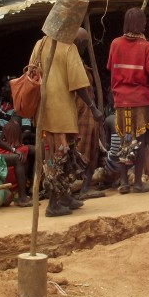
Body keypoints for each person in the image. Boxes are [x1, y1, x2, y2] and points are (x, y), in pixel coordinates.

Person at [30, 30, 103, 217]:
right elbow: (79, 83)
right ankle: (53, 204)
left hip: (44, 110)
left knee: (64, 154)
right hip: (60, 111)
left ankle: (65, 196)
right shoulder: (69, 48)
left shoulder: (40, 44)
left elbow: (32, 71)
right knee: (59, 158)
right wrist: (92, 107)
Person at [107, 7, 149, 193]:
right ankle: (138, 182)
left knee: (126, 140)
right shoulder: (146, 47)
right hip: (141, 101)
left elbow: (112, 69)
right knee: (140, 141)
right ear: (140, 24)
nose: (146, 24)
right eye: (144, 21)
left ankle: (124, 182)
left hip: (121, 101)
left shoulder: (115, 44)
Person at [73, 28, 106, 200]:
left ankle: (85, 187)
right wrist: (93, 107)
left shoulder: (79, 61)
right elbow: (79, 89)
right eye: (83, 43)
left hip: (88, 112)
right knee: (83, 150)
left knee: (93, 149)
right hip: (82, 112)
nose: (85, 46)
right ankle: (79, 187)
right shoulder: (73, 62)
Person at [0, 119, 34, 206]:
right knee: (27, 159)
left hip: (0, 185)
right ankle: (27, 191)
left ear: (4, 133)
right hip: (14, 188)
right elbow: (38, 149)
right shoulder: (22, 149)